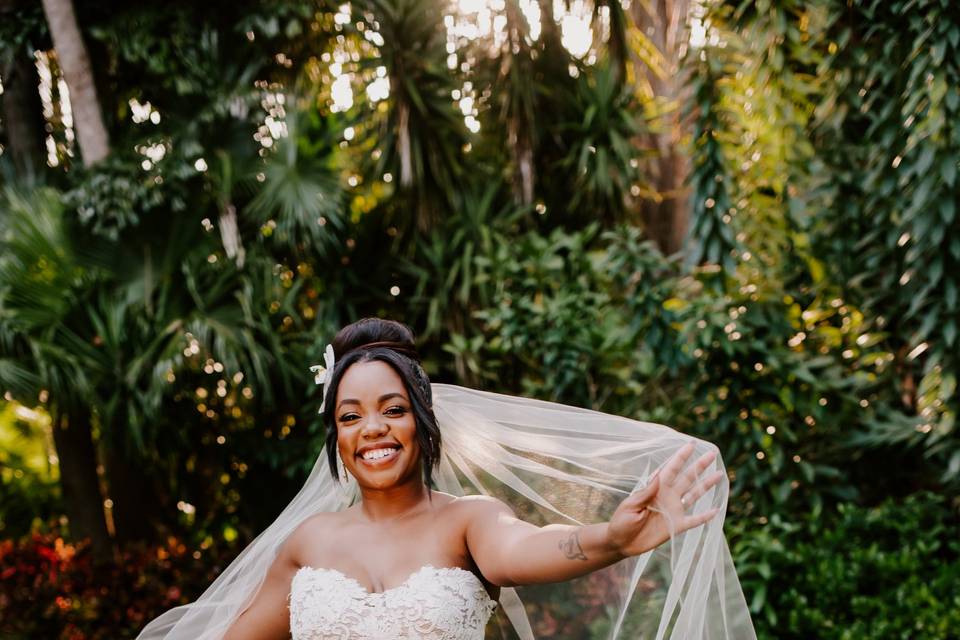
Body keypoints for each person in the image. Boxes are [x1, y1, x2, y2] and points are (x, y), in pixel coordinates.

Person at [138, 318, 756, 640]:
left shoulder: (470, 520)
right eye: (350, 416)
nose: (372, 429)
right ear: (336, 437)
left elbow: (524, 550)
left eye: (393, 409)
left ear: (423, 420)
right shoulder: (308, 543)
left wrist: (612, 540)